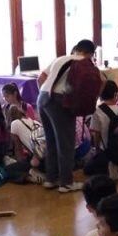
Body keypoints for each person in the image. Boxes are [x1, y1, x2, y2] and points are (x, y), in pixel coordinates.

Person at [37, 40, 99, 193]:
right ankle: (66, 182)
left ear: (76, 49)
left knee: (50, 140)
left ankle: (51, 179)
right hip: (60, 101)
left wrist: (46, 95)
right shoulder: (87, 64)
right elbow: (101, 81)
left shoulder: (61, 58)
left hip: (43, 98)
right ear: (91, 53)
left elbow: (40, 78)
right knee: (66, 143)